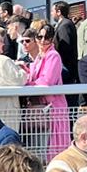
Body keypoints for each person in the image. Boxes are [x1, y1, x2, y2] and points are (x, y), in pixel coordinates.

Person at [21, 24, 68, 160]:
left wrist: (28, 83)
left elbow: (47, 81)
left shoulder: (53, 55)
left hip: (53, 108)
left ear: (52, 39)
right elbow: (35, 77)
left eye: (46, 37)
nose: (42, 41)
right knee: (42, 145)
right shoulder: (40, 57)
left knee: (54, 145)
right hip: (42, 108)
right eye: (39, 37)